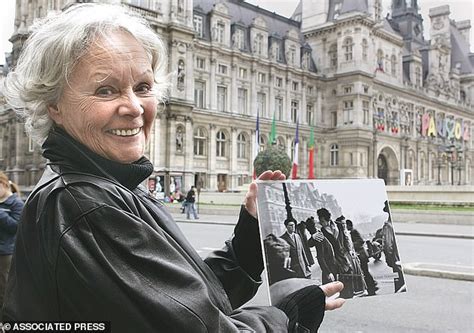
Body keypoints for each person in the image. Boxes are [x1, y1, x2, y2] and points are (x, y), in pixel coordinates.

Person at [2, 4, 344, 331]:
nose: (134, 107)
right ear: (54, 106)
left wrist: (250, 237)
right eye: (106, 90)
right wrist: (291, 313)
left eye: (143, 87)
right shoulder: (87, 206)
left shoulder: (107, 185)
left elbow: (185, 300)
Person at [0, 172, 24, 313]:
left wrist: (1, 214)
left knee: (4, 287)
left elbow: (16, 227)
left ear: (3, 184)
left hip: (5, 253)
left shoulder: (16, 203)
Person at [346, 220, 378, 296]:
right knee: (365, 272)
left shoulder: (353, 232)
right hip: (361, 255)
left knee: (365, 272)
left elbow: (361, 241)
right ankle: (372, 285)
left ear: (349, 226)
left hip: (362, 255)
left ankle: (371, 288)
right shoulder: (351, 232)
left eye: (346, 226)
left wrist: (351, 245)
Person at [382, 201, 406, 293]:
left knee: (399, 287)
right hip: (400, 260)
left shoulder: (388, 226)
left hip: (396, 262)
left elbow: (388, 246)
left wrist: (389, 260)